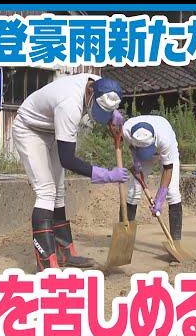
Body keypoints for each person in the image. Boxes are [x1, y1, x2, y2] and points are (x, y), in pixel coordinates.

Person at [12, 74, 128, 273]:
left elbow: (108, 101)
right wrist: (106, 175)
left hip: (51, 129)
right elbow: (68, 160)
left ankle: (65, 253)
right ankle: (46, 263)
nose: (98, 115)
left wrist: (113, 115)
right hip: (30, 128)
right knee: (46, 191)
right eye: (99, 110)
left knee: (59, 191)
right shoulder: (70, 105)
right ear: (90, 92)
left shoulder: (102, 87)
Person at [121, 114, 184, 247]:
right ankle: (123, 239)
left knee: (172, 193)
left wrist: (160, 198)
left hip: (163, 150)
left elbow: (168, 169)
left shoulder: (165, 139)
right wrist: (137, 162)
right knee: (134, 191)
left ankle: (176, 243)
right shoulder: (126, 130)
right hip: (141, 151)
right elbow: (130, 147)